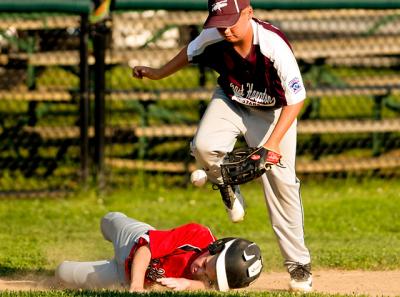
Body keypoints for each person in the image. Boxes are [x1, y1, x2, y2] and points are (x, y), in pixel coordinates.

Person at [132, 0, 312, 292]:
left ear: (249, 13)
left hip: (273, 113)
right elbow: (188, 54)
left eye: (231, 20)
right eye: (219, 21)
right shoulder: (214, 36)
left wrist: (273, 144)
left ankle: (299, 266)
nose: (225, 29)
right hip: (231, 100)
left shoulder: (272, 45)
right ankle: (225, 183)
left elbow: (297, 99)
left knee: (281, 183)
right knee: (203, 146)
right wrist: (157, 73)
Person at [55, 212, 263, 292]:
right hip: (133, 242)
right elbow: (146, 250)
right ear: (216, 248)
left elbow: (208, 286)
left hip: (123, 277)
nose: (198, 270)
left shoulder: (209, 276)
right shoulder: (196, 235)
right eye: (206, 264)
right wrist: (137, 286)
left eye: (207, 276)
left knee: (62, 273)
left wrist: (187, 283)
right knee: (108, 220)